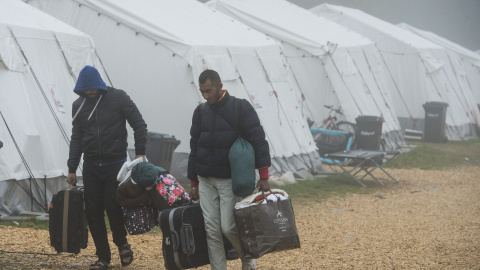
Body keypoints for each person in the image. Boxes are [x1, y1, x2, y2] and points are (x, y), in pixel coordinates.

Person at [188, 69, 271, 270]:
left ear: (219, 86)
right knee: (212, 230)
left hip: (229, 180)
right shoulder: (200, 111)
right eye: (202, 92)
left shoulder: (240, 108)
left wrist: (264, 175)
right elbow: (195, 146)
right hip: (205, 178)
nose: (205, 96)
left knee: (228, 227)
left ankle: (248, 258)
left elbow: (259, 141)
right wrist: (193, 182)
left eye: (208, 91)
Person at [66, 65, 147, 270]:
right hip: (92, 165)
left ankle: (122, 244)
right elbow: (76, 138)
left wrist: (140, 153)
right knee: (93, 212)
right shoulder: (79, 105)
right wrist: (72, 168)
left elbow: (139, 124)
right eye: (86, 89)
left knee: (114, 207)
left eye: (93, 88)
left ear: (100, 85)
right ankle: (103, 257)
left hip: (116, 164)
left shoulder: (118, 97)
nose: (90, 92)